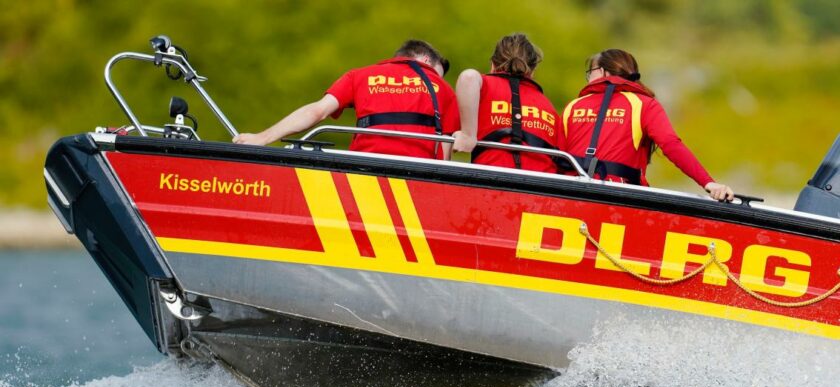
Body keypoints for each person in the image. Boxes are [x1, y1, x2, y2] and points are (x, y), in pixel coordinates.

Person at [234, 40, 460, 160]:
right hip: (416, 175)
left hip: (362, 167)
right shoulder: (443, 88)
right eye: (436, 71)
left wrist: (262, 138)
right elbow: (445, 150)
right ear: (424, 58)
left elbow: (317, 112)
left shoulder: (359, 75)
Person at [559, 49, 734, 201]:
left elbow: (558, 157)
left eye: (591, 71)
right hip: (620, 195)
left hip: (569, 192)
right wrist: (708, 182)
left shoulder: (573, 106)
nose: (589, 77)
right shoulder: (645, 104)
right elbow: (671, 144)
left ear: (604, 72)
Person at [452, 33, 561, 172]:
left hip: (492, 179)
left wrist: (468, 135)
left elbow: (468, 77)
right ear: (533, 71)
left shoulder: (482, 89)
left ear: (493, 64)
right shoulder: (548, 106)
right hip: (540, 187)